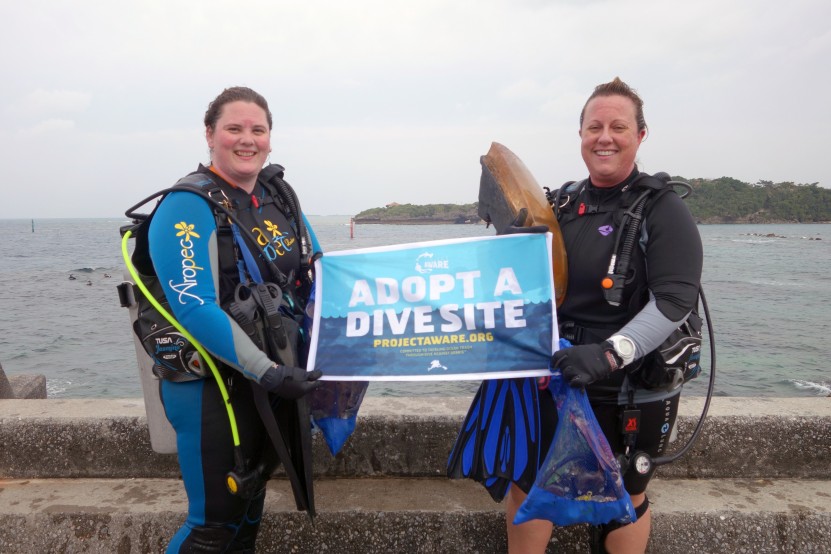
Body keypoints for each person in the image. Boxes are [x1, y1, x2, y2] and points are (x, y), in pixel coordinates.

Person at [505, 78, 703, 553]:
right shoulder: (560, 206)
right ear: (580, 136)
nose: (605, 137)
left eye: (618, 126)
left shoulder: (662, 208)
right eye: (594, 127)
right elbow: (523, 284)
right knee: (526, 484)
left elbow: (675, 301)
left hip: (626, 386)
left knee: (624, 495)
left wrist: (613, 354)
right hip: (554, 376)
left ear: (640, 135)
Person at [145, 86, 322, 552]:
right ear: (210, 134)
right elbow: (193, 306)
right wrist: (269, 371)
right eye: (234, 129)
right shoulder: (187, 205)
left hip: (268, 382)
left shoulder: (278, 195)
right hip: (211, 389)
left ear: (270, 138)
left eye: (257, 130)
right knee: (213, 529)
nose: (248, 140)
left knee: (247, 514)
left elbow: (319, 270)